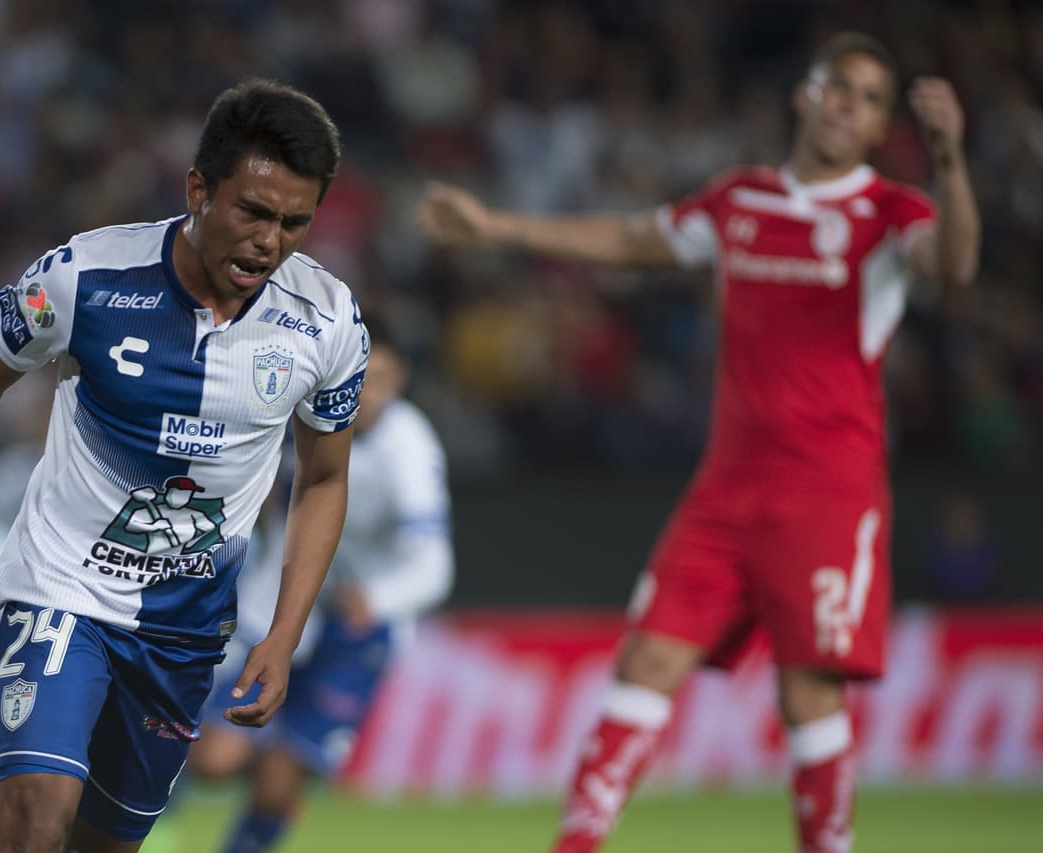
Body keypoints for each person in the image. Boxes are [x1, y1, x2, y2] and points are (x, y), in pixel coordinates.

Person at [418, 32, 979, 853]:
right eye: (838, 86)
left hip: (827, 492)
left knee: (807, 695)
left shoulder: (889, 212)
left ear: (875, 127)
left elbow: (956, 265)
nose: (847, 105)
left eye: (867, 98)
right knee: (645, 661)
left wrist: (951, 161)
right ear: (806, 95)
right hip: (724, 489)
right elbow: (631, 242)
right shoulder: (739, 202)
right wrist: (497, 226)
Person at [0, 79, 370, 853]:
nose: (269, 242)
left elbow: (322, 478)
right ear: (198, 189)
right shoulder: (83, 277)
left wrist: (283, 634)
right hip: (63, 587)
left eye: (294, 223)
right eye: (252, 212)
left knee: (102, 843)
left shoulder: (328, 322)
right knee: (37, 804)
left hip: (184, 631)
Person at [185, 318, 454, 853]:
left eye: (384, 379)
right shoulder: (292, 411)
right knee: (215, 761)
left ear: (400, 382)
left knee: (277, 786)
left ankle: (274, 794)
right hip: (277, 606)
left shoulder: (410, 448)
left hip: (355, 629)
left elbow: (434, 564)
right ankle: (158, 817)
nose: (369, 392)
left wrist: (377, 598)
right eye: (363, 376)